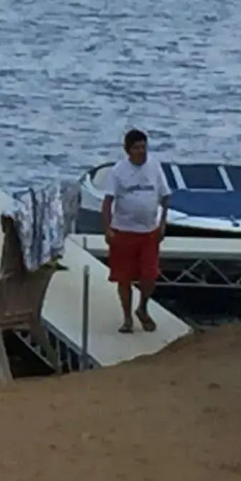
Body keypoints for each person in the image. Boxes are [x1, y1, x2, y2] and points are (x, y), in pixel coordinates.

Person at [100, 129, 171, 334]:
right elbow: (107, 202)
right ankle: (127, 317)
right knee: (124, 277)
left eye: (143, 147)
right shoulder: (118, 171)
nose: (141, 151)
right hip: (124, 231)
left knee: (149, 274)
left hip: (149, 231)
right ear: (127, 150)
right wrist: (107, 229)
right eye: (136, 148)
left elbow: (165, 197)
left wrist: (163, 223)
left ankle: (143, 307)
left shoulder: (154, 166)